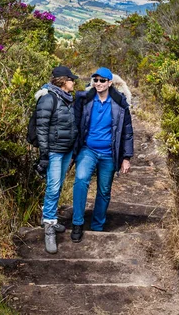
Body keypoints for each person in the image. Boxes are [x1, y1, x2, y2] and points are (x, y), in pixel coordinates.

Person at [70, 67, 134, 243]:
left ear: (110, 83)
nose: (98, 83)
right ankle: (77, 223)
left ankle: (97, 227)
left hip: (109, 153)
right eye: (95, 80)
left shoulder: (120, 103)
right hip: (88, 150)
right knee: (81, 180)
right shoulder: (85, 100)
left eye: (102, 80)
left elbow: (127, 132)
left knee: (104, 190)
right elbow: (75, 125)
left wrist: (126, 158)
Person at [35, 65, 79, 254]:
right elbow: (41, 129)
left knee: (57, 185)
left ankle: (48, 216)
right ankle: (49, 228)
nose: (73, 83)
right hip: (54, 151)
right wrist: (44, 155)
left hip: (66, 150)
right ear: (62, 81)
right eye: (71, 79)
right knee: (53, 187)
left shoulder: (67, 99)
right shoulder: (48, 98)